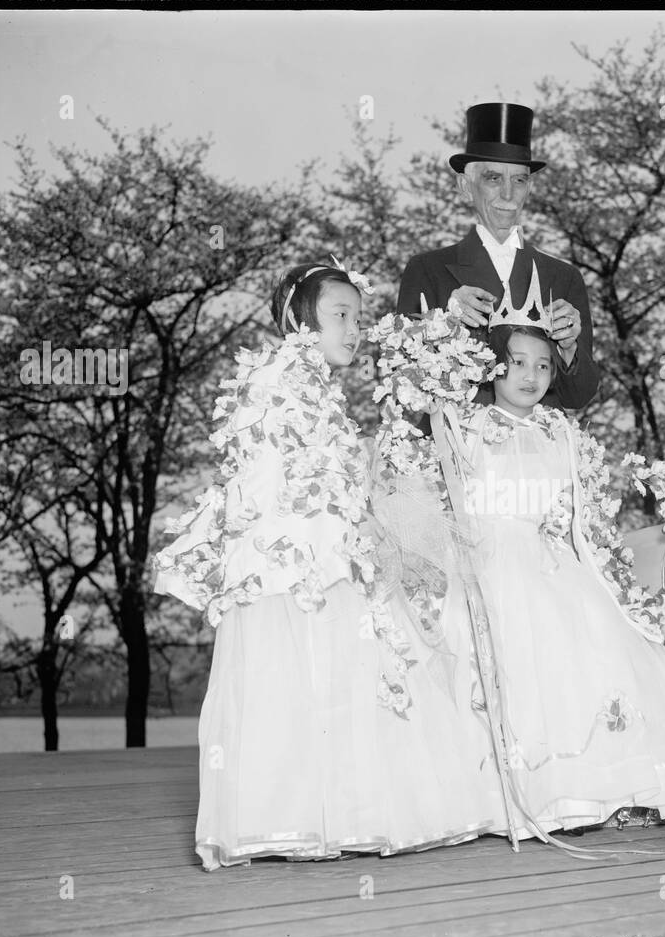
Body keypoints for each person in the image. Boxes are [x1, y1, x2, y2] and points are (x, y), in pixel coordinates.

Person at [152, 260, 497, 869]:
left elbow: (325, 469)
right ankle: (303, 822)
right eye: (339, 316)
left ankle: (321, 820)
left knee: (331, 682)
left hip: (319, 552)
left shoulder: (309, 381)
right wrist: (358, 526)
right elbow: (278, 477)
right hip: (297, 561)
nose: (354, 329)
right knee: (308, 678)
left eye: (359, 318)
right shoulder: (277, 376)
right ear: (297, 319)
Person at [452, 288, 665, 839]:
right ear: (493, 366)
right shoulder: (465, 428)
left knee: (587, 653)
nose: (530, 375)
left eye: (543, 365)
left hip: (552, 559)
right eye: (517, 362)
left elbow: (583, 515)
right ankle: (515, 796)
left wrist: (611, 582)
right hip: (488, 561)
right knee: (508, 670)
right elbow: (451, 502)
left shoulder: (563, 432)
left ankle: (591, 793)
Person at [396, 101, 599, 410]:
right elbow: (405, 385)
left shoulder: (564, 277)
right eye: (493, 178)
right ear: (465, 186)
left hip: (538, 451)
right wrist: (445, 321)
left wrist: (569, 347)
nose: (508, 194)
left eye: (519, 180)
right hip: (459, 451)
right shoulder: (427, 270)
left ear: (529, 188)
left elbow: (579, 397)